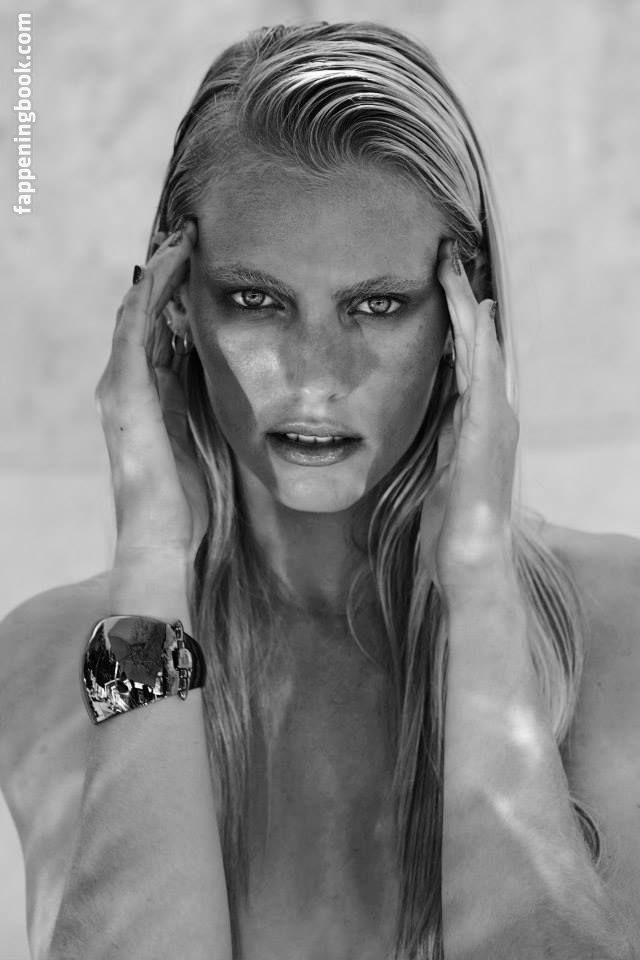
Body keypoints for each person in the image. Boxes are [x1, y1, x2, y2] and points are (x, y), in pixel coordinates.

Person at [0, 20, 638, 960]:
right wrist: (151, 565)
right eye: (256, 300)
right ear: (172, 307)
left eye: (376, 305)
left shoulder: (622, 623)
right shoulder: (49, 655)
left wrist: (479, 589)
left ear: (465, 322)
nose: (315, 377)